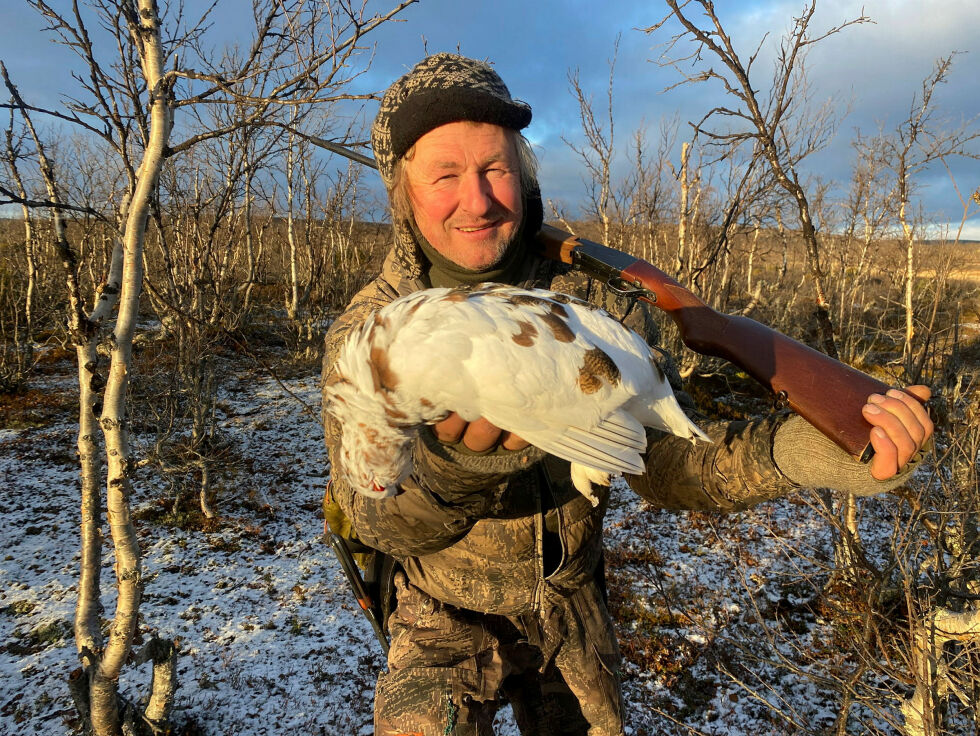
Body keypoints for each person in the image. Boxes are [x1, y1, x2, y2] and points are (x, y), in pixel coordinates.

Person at [320, 53, 933, 736]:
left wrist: (811, 450)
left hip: (572, 613)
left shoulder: (591, 301)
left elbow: (668, 463)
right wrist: (456, 468)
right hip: (439, 621)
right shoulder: (366, 335)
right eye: (445, 175)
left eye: (495, 168)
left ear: (522, 174)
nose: (479, 199)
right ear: (401, 191)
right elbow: (368, 518)